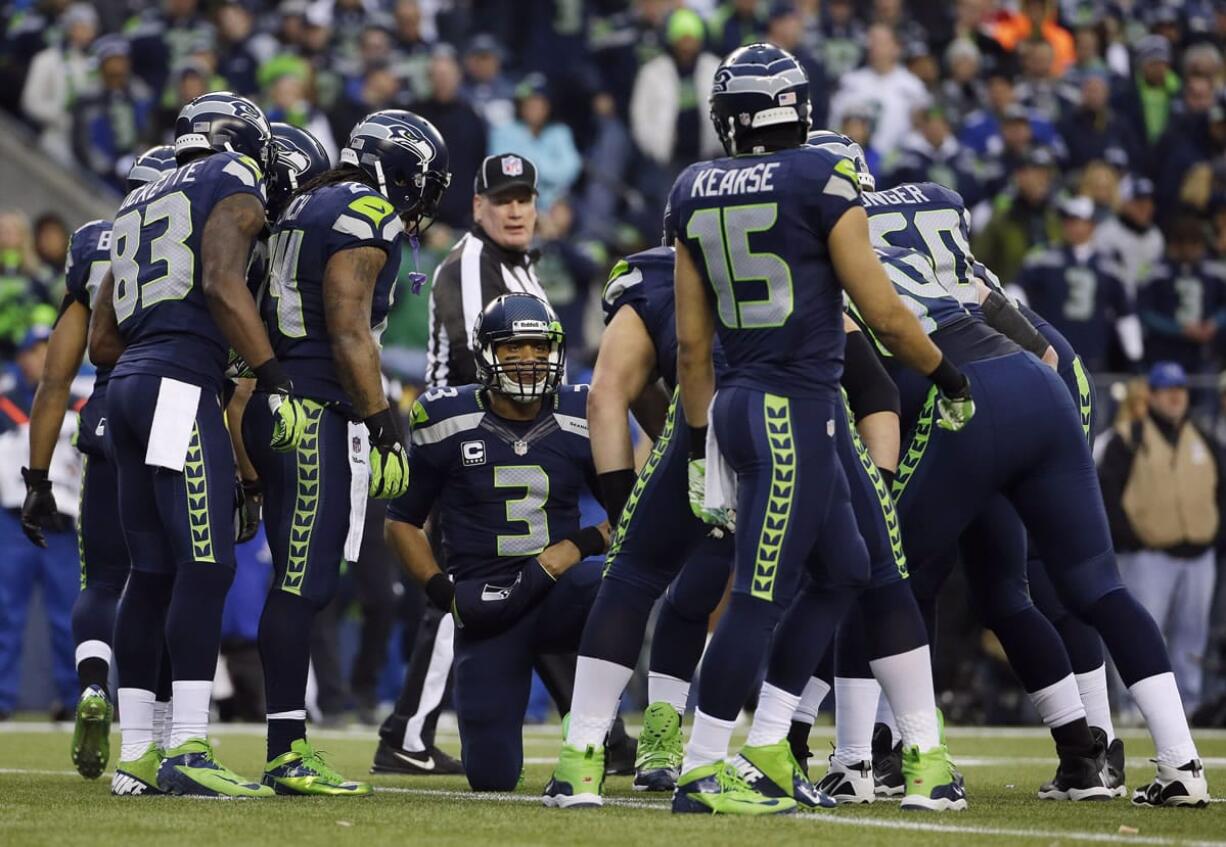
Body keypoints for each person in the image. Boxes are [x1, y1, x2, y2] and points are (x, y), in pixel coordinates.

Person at [645, 43, 971, 816]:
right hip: (796, 408)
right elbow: (885, 312)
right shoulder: (823, 178)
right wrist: (948, 377)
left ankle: (765, 739)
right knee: (760, 591)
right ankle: (701, 767)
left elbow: (692, 346)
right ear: (799, 106)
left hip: (740, 402)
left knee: (846, 567)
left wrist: (697, 446)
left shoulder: (693, 187)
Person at [87, 91, 309, 798]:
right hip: (178, 387)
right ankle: (186, 745)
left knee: (150, 573)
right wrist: (272, 376)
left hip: (125, 386)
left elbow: (101, 339)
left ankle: (139, 753)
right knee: (205, 567)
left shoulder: (138, 196)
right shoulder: (230, 176)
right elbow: (219, 280)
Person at [244, 112, 443, 795]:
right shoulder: (366, 210)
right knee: (303, 584)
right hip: (313, 409)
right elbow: (349, 326)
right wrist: (382, 420)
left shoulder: (303, 200)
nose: (422, 193)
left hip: (280, 402)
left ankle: (281, 740)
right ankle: (285, 748)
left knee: (305, 583)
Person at [384, 293, 611, 791]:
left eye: (538, 347)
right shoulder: (444, 417)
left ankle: (595, 727)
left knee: (613, 587)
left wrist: (580, 542)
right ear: (487, 354)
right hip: (487, 607)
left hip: (560, 593)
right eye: (513, 348)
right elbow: (401, 521)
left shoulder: (582, 410)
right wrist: (443, 595)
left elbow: (628, 511)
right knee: (491, 777)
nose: (528, 358)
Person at [18, 147, 176, 780]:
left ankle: (92, 684)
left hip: (109, 411)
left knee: (105, 579)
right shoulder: (207, 234)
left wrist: (35, 480)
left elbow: (55, 380)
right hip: (175, 410)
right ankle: (161, 729)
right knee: (169, 578)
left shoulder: (93, 246)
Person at [1100, 362, 1223, 716]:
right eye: (1167, 390)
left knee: (1192, 639)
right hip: (1147, 556)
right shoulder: (1127, 439)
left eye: (1180, 390)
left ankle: (1190, 708)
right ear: (1151, 395)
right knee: (1140, 633)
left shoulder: (1203, 438)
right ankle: (1134, 709)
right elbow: (1107, 496)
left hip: (1199, 557)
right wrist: (1132, 539)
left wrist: (1215, 537)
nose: (1175, 397)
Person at [0, 327, 81, 724]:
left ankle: (73, 700)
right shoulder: (4, 406)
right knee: (5, 614)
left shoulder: (83, 406)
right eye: (33, 351)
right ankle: (1, 699)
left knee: (68, 617)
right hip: (12, 521)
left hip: (62, 525)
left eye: (47, 349)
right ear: (21, 359)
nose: (41, 358)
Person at [1016, 195, 1141, 373]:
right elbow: (1016, 290)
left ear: (1092, 225)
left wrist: (1134, 356)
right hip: (1050, 351)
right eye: (1068, 221)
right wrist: (1024, 327)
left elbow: (1126, 313)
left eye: (1077, 221)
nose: (1072, 227)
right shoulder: (1043, 259)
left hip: (1093, 352)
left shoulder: (1109, 266)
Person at [1138, 216, 1226, 379]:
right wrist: (1179, 329)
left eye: (1195, 244)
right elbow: (1144, 312)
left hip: (1205, 353)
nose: (1190, 250)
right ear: (1174, 245)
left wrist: (1213, 324)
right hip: (1164, 351)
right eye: (1184, 244)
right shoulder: (1155, 272)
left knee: (1205, 397)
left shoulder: (1214, 271)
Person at [828, 24, 927, 156]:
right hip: (854, 159)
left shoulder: (913, 86)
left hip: (899, 162)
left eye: (881, 42)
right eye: (872, 41)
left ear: (896, 48)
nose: (875, 47)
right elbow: (835, 124)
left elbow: (921, 131)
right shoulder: (850, 82)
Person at [488, 75, 581, 214]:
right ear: (520, 105)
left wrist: (535, 166)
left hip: (555, 201)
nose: (534, 108)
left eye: (539, 103)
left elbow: (570, 169)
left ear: (548, 106)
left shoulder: (560, 132)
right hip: (514, 199)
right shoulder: (503, 132)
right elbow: (505, 173)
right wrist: (548, 169)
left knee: (563, 212)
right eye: (529, 103)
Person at [1094, 176, 1164, 300]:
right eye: (1138, 201)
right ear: (1124, 203)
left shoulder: (1156, 236)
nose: (1145, 207)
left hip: (1142, 303)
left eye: (1149, 201)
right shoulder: (1105, 233)